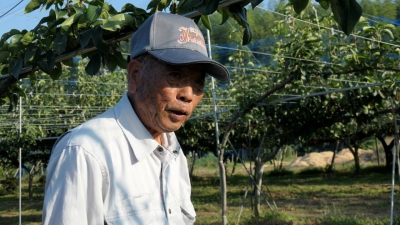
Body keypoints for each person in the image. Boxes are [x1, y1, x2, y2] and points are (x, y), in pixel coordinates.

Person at [42, 11, 229, 225]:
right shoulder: (85, 152)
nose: (188, 94)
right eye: (175, 75)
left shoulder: (173, 151)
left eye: (198, 83)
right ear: (135, 75)